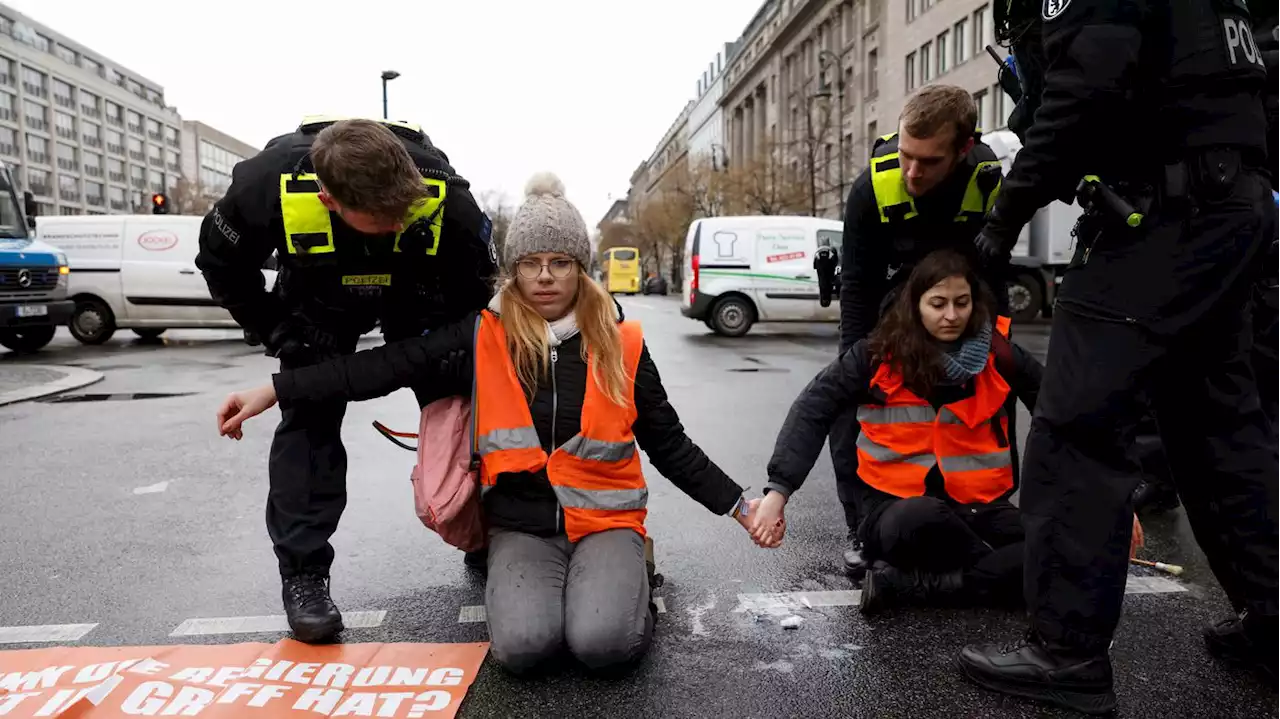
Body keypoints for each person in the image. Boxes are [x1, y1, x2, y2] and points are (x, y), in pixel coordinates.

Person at [213, 173, 760, 675]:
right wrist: (274, 390)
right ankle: (568, 586)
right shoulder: (481, 333)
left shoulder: (622, 344)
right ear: (513, 269)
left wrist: (740, 505)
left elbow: (669, 444)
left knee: (603, 645)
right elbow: (377, 367)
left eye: (561, 262)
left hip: (607, 523)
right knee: (524, 650)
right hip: (521, 527)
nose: (545, 276)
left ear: (581, 267)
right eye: (531, 263)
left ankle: (631, 567)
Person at [962, 1, 1280, 713]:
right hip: (1225, 200)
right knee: (1220, 428)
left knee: (1077, 426)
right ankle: (1272, 618)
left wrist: (1005, 213)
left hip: (1164, 212)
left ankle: (1065, 651)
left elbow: (1088, 90)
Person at [195, 116, 497, 644]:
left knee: (473, 410)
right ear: (330, 200)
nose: (403, 220)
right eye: (387, 217)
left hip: (420, 295)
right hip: (317, 303)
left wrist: (451, 353)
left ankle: (482, 533)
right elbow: (220, 264)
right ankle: (305, 578)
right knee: (308, 431)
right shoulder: (266, 184)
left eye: (408, 210)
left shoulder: (446, 194)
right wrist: (276, 331)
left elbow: (477, 293)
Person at [754, 250, 1040, 613]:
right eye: (938, 303)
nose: (951, 315)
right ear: (915, 304)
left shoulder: (999, 355)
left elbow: (1061, 417)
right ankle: (1002, 574)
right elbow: (812, 408)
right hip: (895, 513)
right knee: (925, 517)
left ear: (975, 304)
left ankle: (909, 586)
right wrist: (778, 492)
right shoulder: (875, 355)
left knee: (1054, 544)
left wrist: (1109, 502)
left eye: (961, 303)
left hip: (978, 510)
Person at [832, 84, 1009, 576]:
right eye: (907, 155)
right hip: (892, 304)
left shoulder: (989, 183)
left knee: (993, 392)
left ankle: (978, 510)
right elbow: (858, 287)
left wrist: (995, 352)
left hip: (964, 300)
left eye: (929, 161)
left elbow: (996, 276)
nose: (912, 171)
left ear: (963, 149)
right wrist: (858, 365)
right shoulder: (872, 187)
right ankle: (863, 524)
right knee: (849, 398)